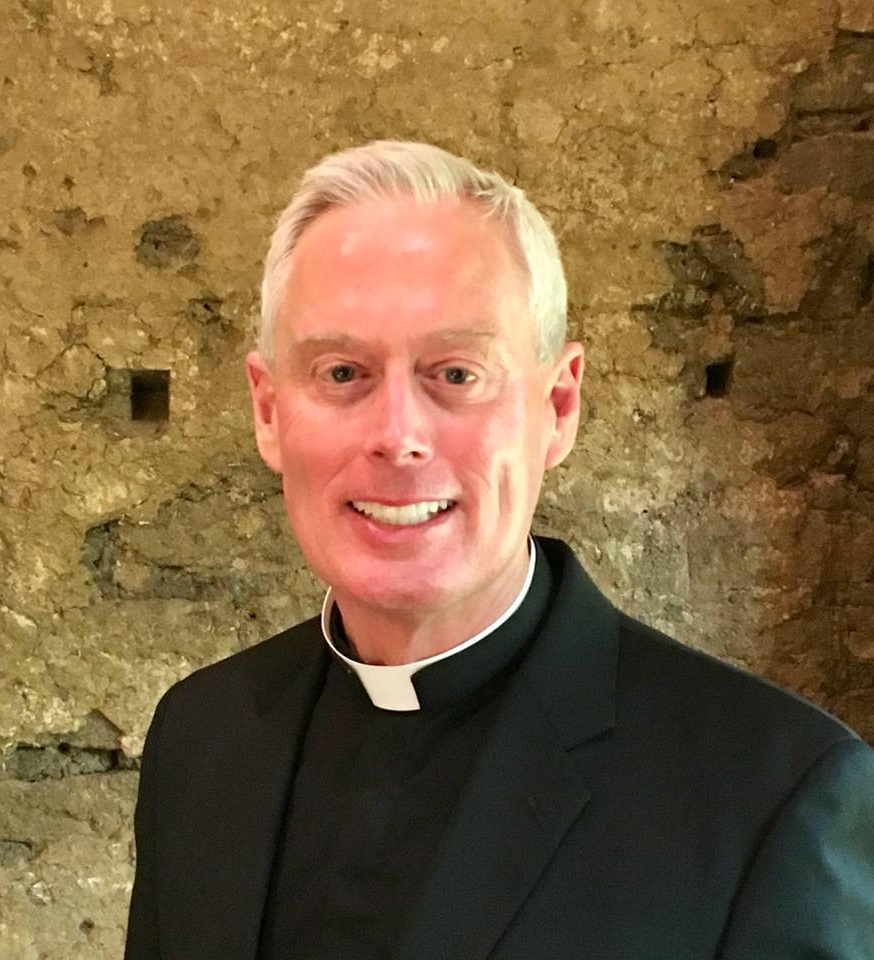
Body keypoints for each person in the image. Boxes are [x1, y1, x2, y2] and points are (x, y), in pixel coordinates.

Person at [123, 141, 874, 960]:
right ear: (269, 411)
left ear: (558, 406)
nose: (398, 436)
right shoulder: (201, 737)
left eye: (456, 374)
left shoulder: (771, 794)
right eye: (342, 373)